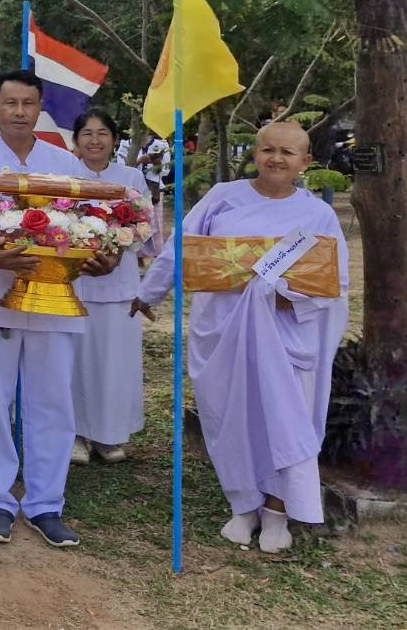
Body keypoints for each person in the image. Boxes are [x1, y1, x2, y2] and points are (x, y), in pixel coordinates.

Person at [132, 121, 348, 553]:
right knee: (231, 418)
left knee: (283, 420)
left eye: (288, 153)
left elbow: (335, 281)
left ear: (305, 162)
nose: (276, 158)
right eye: (268, 149)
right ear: (256, 153)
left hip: (287, 336)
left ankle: (276, 512)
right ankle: (243, 505)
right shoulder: (222, 198)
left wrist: (291, 300)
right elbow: (182, 248)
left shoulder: (318, 214)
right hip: (223, 332)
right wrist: (147, 293)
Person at [0, 69, 119, 549]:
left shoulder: (65, 162)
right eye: (10, 103)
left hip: (56, 296)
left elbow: (91, 224)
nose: (20, 112)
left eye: (29, 104)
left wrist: (101, 257)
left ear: (41, 109)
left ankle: (46, 504)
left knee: (51, 400)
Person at [69, 109, 149, 466]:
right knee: (77, 361)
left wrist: (115, 252)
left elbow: (142, 224)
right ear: (76, 141)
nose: (95, 140)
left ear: (115, 139)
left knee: (114, 362)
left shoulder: (131, 177)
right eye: (87, 133)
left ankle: (109, 435)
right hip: (76, 280)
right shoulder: (66, 178)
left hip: (119, 283)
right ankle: (75, 434)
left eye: (103, 133)